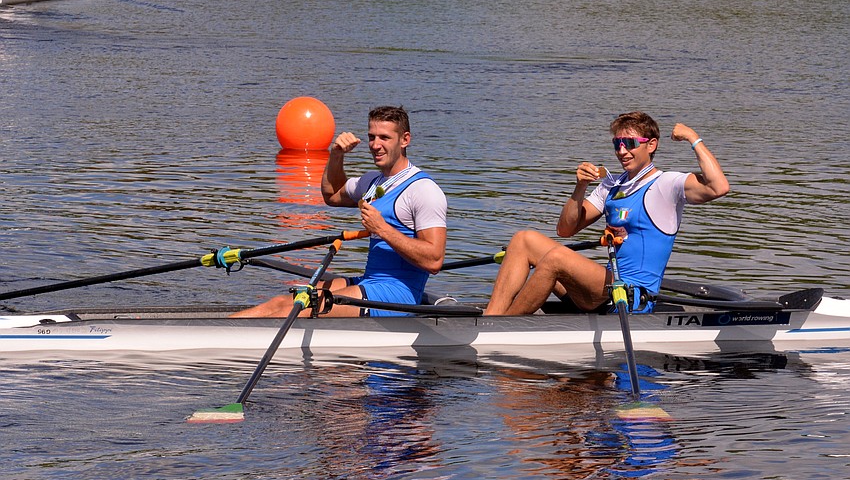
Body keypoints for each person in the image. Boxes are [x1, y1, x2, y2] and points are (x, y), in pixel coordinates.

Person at [484, 111, 729, 316]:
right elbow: (566, 230)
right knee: (523, 240)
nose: (622, 151)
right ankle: (491, 319)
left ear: (651, 144)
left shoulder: (666, 184)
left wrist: (692, 138)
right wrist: (580, 188)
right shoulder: (611, 186)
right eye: (617, 144)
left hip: (632, 297)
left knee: (557, 258)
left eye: (630, 143)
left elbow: (719, 187)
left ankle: (503, 329)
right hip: (604, 288)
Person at [233, 105, 447, 318]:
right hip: (370, 282)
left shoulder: (423, 190)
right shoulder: (372, 181)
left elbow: (434, 260)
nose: (375, 145)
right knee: (282, 302)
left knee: (300, 310)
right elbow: (332, 195)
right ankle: (212, 330)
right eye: (372, 137)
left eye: (384, 138)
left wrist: (382, 229)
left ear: (405, 140)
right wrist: (336, 155)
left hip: (397, 296)